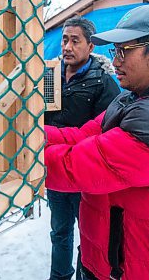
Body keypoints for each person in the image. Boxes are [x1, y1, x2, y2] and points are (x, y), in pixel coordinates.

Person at [44, 5, 149, 280]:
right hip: (104, 259)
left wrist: (15, 154)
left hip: (146, 270)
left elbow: (74, 167)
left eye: (125, 50)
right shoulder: (133, 98)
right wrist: (19, 137)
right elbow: (79, 135)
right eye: (115, 51)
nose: (116, 61)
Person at [45, 16, 120, 280]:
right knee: (60, 231)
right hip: (55, 170)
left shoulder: (103, 82)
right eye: (65, 39)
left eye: (75, 41)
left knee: (89, 237)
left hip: (85, 175)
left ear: (91, 47)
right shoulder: (49, 76)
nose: (67, 46)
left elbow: (104, 133)